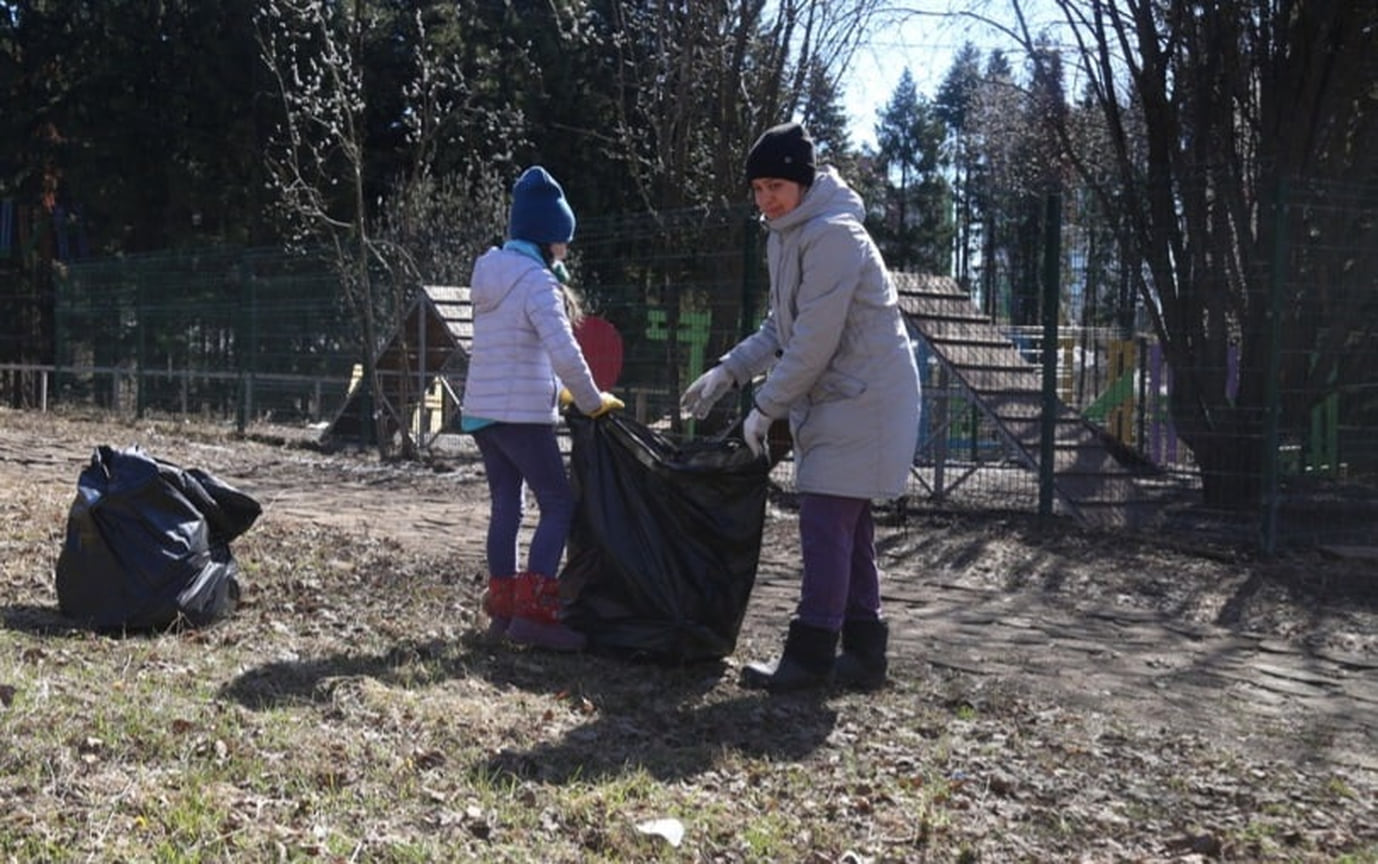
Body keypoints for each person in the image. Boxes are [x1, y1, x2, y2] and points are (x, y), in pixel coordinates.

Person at [679, 122, 921, 692]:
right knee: (848, 525)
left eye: (776, 186)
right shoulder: (784, 235)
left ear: (803, 182)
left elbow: (813, 341)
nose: (766, 199)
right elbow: (779, 327)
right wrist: (728, 371)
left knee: (824, 521)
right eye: (758, 188)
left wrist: (764, 407)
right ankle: (864, 653)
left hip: (866, 398)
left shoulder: (835, 236)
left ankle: (811, 655)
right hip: (842, 397)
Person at [462, 165, 623, 652]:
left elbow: (516, 348)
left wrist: (562, 392)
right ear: (549, 237)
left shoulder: (490, 273)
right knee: (558, 504)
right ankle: (535, 612)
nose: (567, 249)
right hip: (522, 418)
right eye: (564, 240)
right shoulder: (537, 282)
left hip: (483, 414)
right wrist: (592, 401)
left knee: (507, 506)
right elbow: (563, 350)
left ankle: (504, 608)